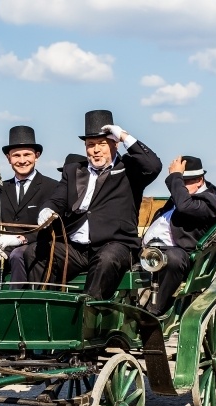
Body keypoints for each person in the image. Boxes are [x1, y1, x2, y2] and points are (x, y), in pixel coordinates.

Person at [25, 109, 162, 299]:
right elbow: (57, 199)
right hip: (76, 248)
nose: (95, 150)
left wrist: (124, 135)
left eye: (102, 144)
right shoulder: (74, 170)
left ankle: (88, 317)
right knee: (34, 252)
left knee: (106, 259)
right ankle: (43, 309)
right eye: (90, 145)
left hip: (116, 245)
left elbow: (153, 165)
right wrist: (48, 209)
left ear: (115, 144)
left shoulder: (129, 170)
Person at [142, 155, 216, 316]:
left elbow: (186, 207)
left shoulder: (210, 200)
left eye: (184, 182)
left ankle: (155, 309)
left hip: (180, 252)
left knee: (173, 258)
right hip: (150, 249)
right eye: (179, 183)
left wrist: (175, 177)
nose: (180, 188)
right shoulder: (182, 196)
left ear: (200, 180)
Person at [0, 125, 59, 288]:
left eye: (27, 155)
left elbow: (54, 228)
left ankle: (15, 305)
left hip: (34, 250)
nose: (22, 160)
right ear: (8, 158)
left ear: (37, 156)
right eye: (16, 155)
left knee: (18, 255)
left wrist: (22, 239)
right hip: (4, 250)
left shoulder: (52, 187)